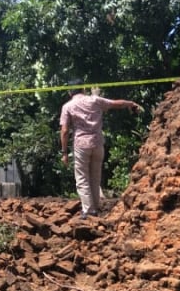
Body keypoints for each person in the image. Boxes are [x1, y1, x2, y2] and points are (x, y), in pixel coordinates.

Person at [59, 84, 143, 219]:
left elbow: (64, 131)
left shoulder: (67, 106)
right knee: (95, 176)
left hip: (81, 145)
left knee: (82, 178)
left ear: (70, 92)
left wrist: (64, 152)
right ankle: (95, 207)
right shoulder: (94, 100)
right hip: (98, 143)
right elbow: (116, 104)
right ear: (83, 89)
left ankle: (88, 210)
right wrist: (131, 103)